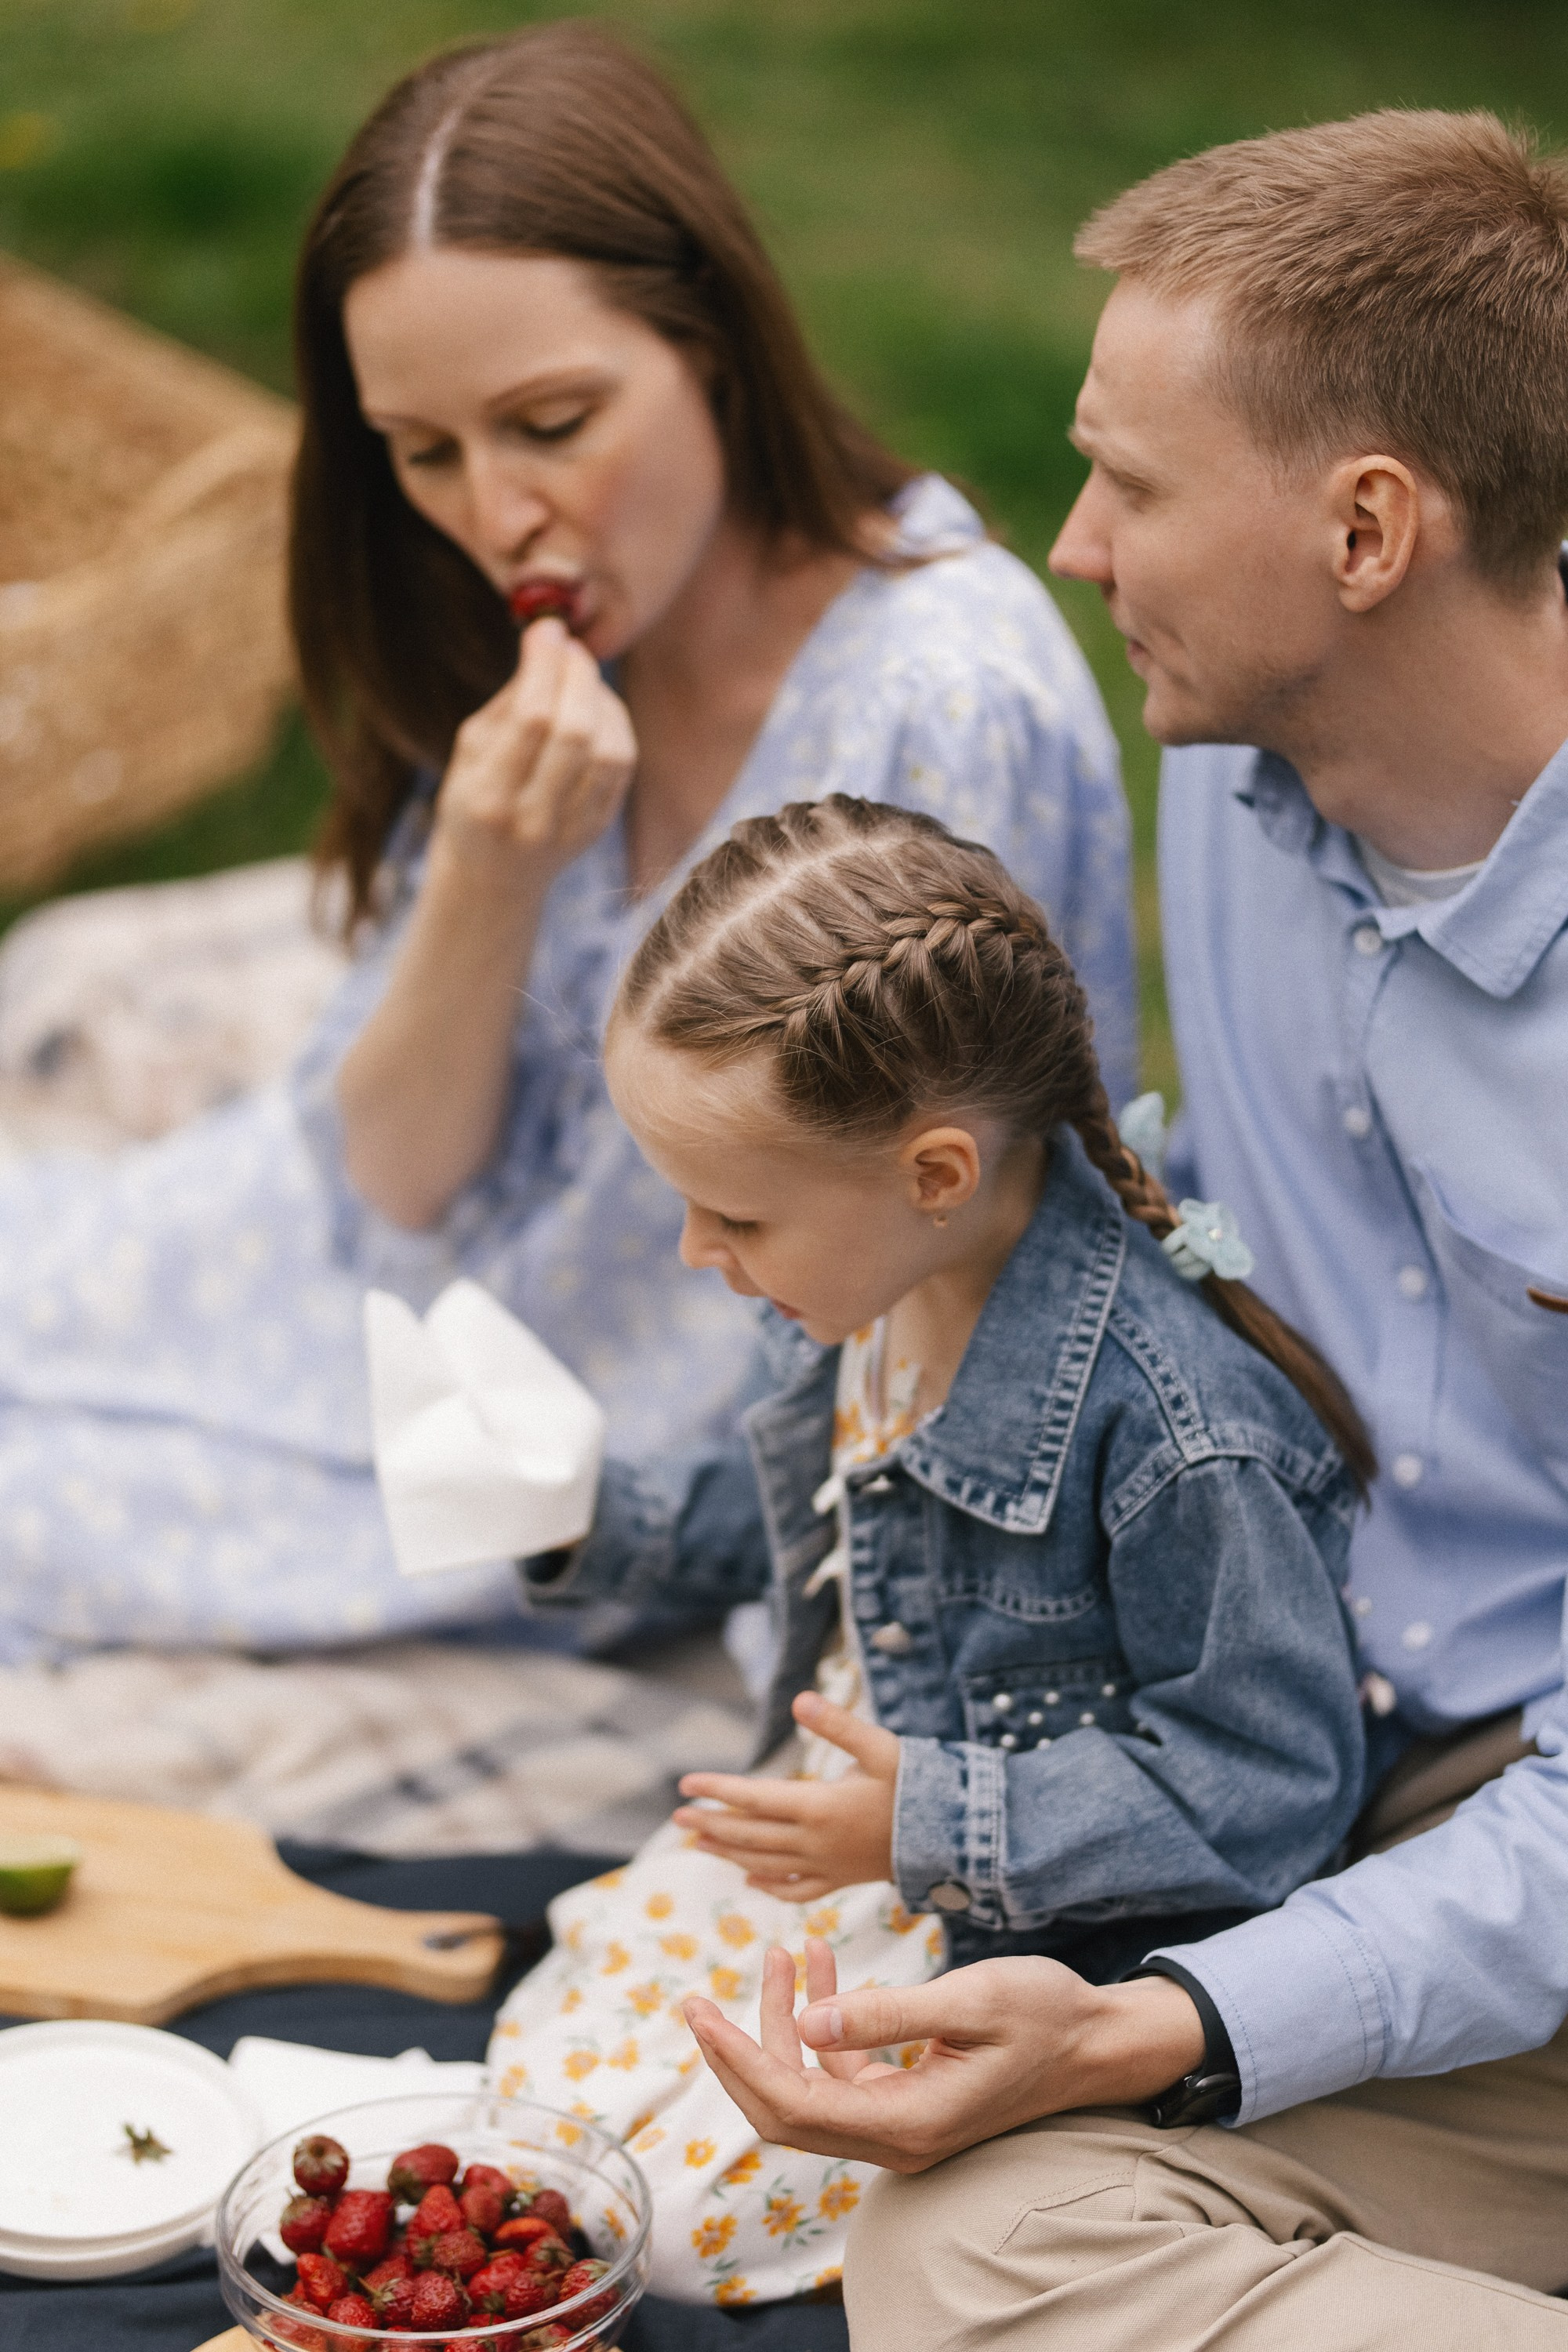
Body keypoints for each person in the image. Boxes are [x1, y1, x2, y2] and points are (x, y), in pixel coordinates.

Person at [681, 110, 1568, 2350]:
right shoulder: (1235, 756)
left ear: (1367, 529)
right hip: (1336, 1762)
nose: (1073, 548)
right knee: (958, 2246)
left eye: (1131, 486)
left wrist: (1165, 2021)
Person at [0, 23, 1135, 1662]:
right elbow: (388, 1181)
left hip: (595, 1433)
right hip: (381, 1283)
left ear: (711, 345)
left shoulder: (933, 711)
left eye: (551, 422)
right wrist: (486, 873)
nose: (494, 514)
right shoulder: (570, 641)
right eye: (426, 453)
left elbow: (897, 1273)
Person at [484, 791, 1370, 2304]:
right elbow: (820, 1514)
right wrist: (591, 1517)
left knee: (674, 2224)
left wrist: (932, 1827)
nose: (701, 1253)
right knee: (547, 2104)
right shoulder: (859, 1285)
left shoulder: (1177, 1433)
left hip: (1016, 1916)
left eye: (732, 1215)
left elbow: (1274, 1783)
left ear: (936, 1174)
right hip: (853, 1842)